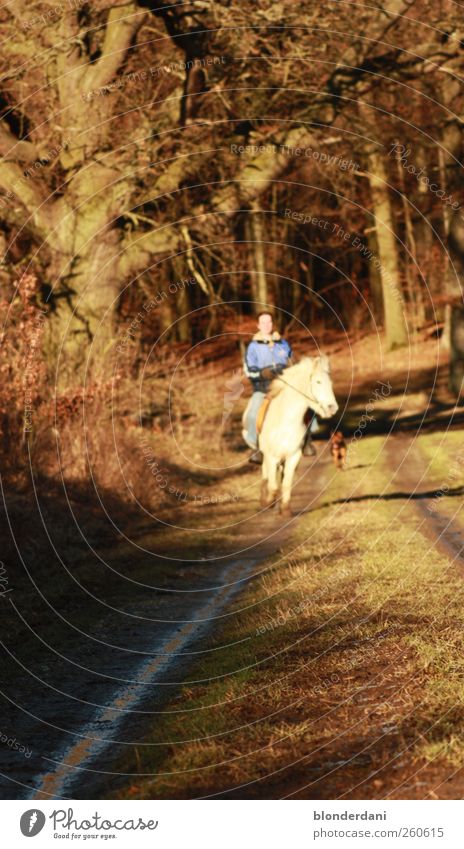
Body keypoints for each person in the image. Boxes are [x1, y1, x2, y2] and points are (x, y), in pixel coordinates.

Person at [242, 311, 316, 463]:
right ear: (258, 325)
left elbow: (292, 363)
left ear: (272, 324)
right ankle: (256, 448)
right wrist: (263, 372)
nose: (266, 325)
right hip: (264, 389)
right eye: (263, 322)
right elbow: (249, 370)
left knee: (308, 406)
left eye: (269, 322)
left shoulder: (283, 343)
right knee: (253, 413)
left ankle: (308, 441)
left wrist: (289, 370)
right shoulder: (253, 347)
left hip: (285, 386)